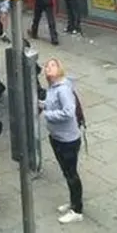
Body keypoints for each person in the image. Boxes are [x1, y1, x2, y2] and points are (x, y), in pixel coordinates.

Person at [40, 58, 83, 224]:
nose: (47, 67)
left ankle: (77, 210)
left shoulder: (63, 89)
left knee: (72, 174)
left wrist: (47, 115)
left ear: (59, 70)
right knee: (67, 173)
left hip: (68, 139)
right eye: (46, 65)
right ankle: (73, 203)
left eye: (52, 65)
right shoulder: (52, 88)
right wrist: (42, 104)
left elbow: (68, 112)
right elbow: (52, 105)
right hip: (57, 137)